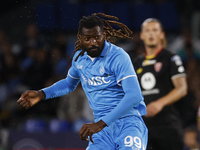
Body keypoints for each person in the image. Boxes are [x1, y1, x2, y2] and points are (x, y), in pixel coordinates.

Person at [17, 13, 148, 150]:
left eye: (97, 37)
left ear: (104, 34)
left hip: (128, 123)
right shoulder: (79, 59)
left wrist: (101, 123)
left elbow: (134, 96)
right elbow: (68, 84)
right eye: (87, 39)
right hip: (102, 130)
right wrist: (41, 94)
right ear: (80, 38)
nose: (93, 42)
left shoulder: (118, 56)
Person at [132, 18, 188, 150]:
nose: (151, 34)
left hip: (167, 125)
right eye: (147, 31)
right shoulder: (136, 63)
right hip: (143, 126)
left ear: (161, 34)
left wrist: (159, 103)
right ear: (142, 35)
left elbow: (182, 88)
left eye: (155, 30)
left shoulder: (171, 58)